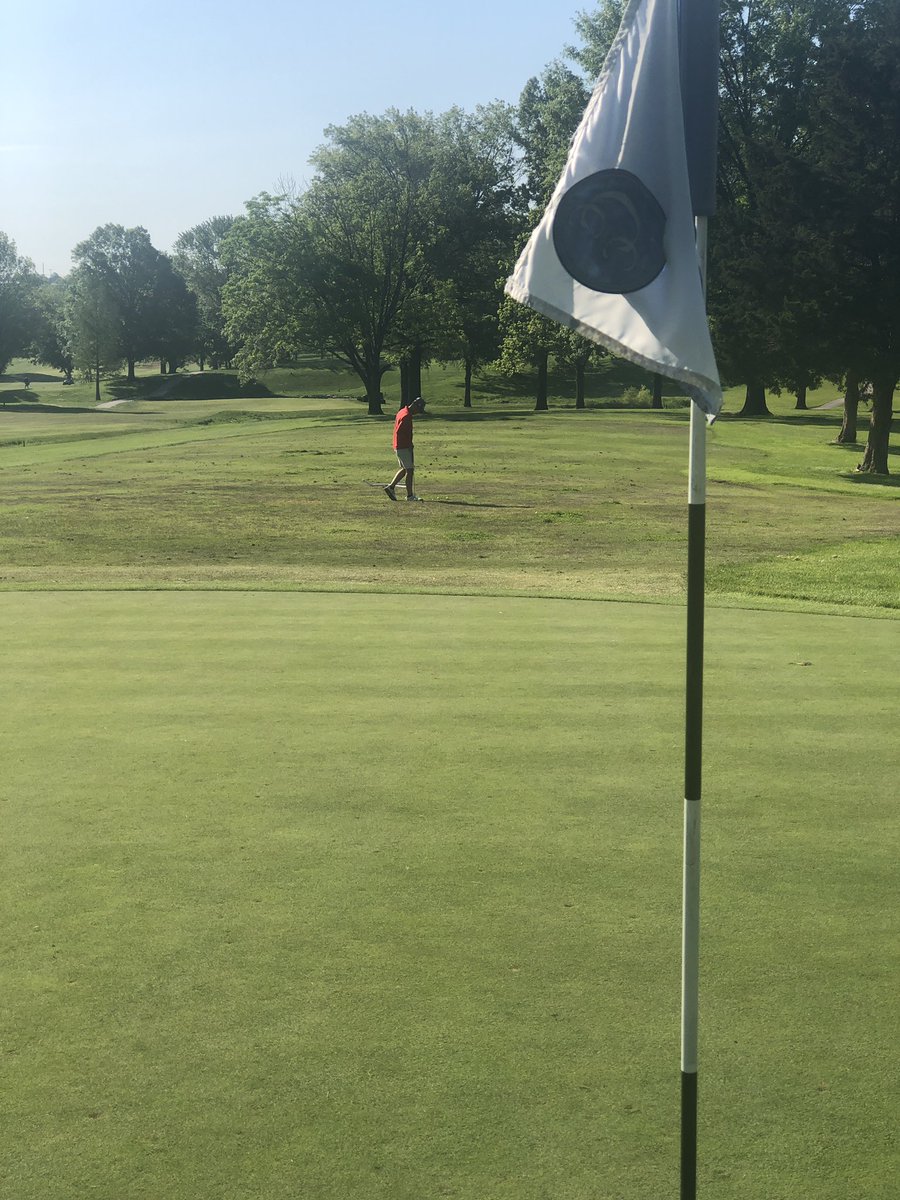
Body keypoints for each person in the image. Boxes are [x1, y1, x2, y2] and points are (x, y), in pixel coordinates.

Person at [384, 396, 425, 501]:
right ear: (415, 406)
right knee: (410, 470)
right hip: (403, 446)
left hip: (398, 445)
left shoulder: (402, 411)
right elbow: (401, 432)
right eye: (418, 410)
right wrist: (409, 446)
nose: (418, 412)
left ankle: (391, 487)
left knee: (404, 469)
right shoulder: (407, 416)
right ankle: (410, 496)